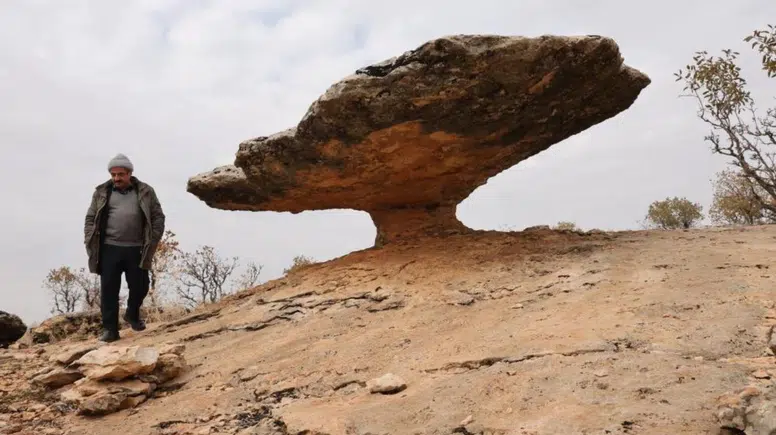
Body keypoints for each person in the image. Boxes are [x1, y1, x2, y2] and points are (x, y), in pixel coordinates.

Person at [83, 154, 165, 342]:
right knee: (109, 290)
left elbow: (158, 216)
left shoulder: (145, 191)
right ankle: (110, 330)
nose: (116, 178)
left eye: (120, 174)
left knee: (140, 286)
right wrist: (89, 237)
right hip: (109, 248)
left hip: (137, 248)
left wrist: (153, 239)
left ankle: (132, 314)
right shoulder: (102, 192)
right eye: (113, 174)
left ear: (130, 173)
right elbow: (90, 217)